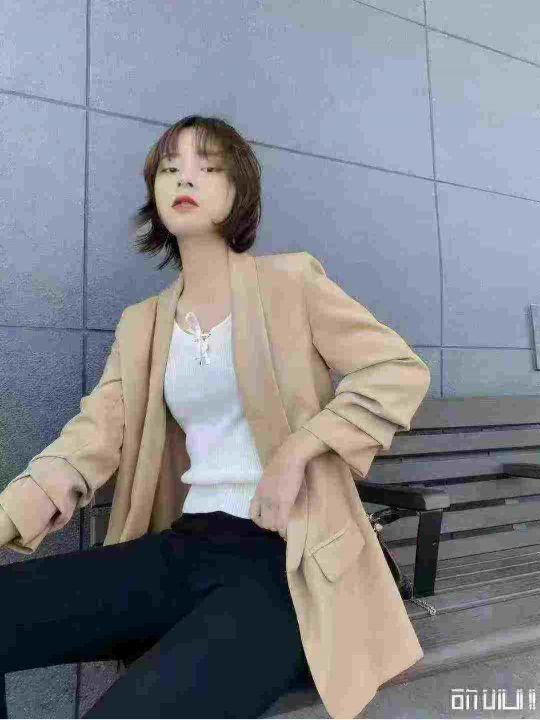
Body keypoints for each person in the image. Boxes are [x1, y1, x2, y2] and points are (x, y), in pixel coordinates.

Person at [0, 115, 432, 719]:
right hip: (188, 547)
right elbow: (89, 440)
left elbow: (396, 369)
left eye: (208, 166)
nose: (185, 178)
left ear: (239, 189)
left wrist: (298, 450)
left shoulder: (291, 282)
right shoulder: (142, 325)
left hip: (287, 565)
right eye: (170, 168)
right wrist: (9, 515)